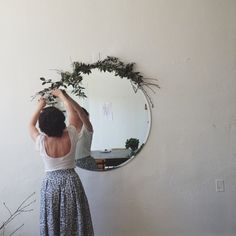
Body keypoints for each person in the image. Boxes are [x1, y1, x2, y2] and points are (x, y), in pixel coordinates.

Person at [29, 89, 94, 236]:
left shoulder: (41, 141)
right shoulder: (71, 134)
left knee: (53, 220)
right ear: (61, 120)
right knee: (74, 221)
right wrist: (63, 96)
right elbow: (73, 117)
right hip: (71, 181)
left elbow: (30, 125)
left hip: (50, 184)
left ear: (42, 125)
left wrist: (40, 105)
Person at [62, 93, 97, 170]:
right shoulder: (69, 130)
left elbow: (81, 113)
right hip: (72, 164)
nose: (72, 115)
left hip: (86, 163)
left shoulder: (87, 128)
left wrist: (66, 96)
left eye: (75, 113)